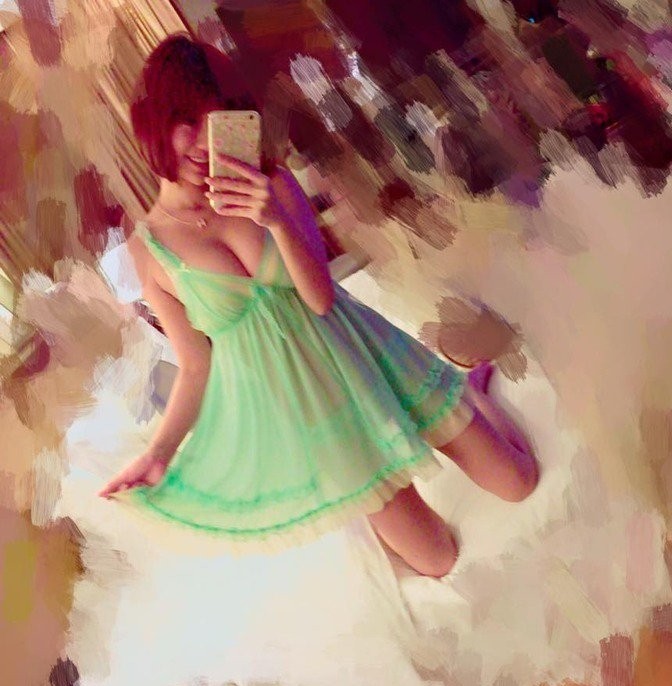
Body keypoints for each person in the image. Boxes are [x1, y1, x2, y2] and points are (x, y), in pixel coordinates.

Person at [99, 34, 539, 578]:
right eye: (186, 121)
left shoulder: (269, 182)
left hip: (365, 355)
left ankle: (470, 392)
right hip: (314, 412)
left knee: (519, 483)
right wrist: (159, 453)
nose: (202, 142)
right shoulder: (150, 249)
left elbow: (319, 297)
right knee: (437, 559)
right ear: (153, 124)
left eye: (216, 120)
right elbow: (194, 365)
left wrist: (276, 220)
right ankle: (367, 498)